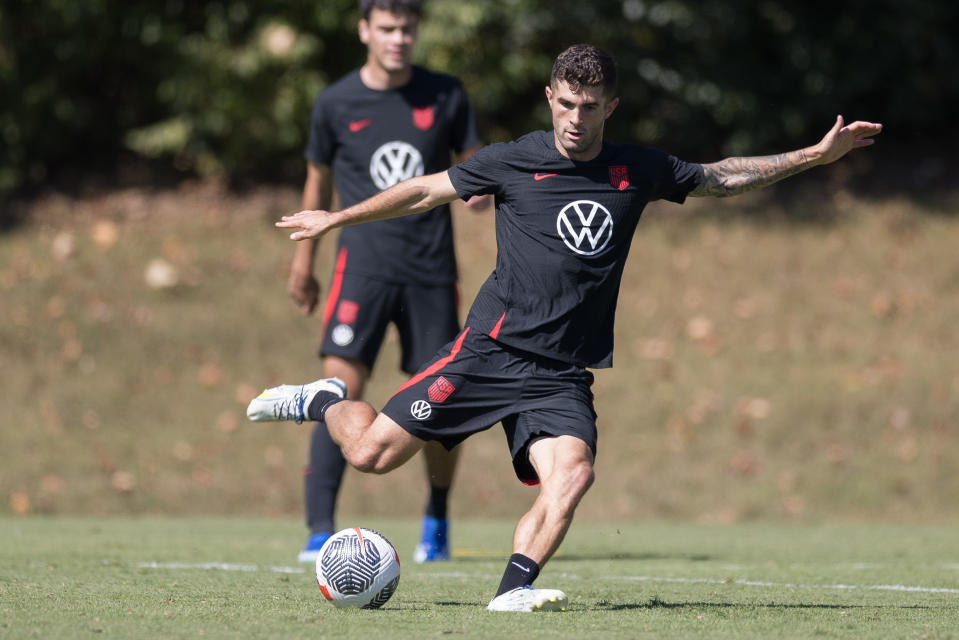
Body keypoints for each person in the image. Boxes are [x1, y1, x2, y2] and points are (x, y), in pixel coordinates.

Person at [249, 44, 881, 610]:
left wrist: (816, 156)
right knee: (368, 455)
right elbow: (421, 190)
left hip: (559, 375)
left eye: (593, 107)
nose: (578, 119)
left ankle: (513, 591)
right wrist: (335, 220)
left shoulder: (637, 169)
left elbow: (722, 177)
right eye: (568, 104)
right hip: (488, 353)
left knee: (573, 473)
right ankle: (326, 399)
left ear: (612, 106)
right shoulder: (511, 160)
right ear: (550, 98)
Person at [286, 0, 485, 564]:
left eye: (408, 29)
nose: (399, 38)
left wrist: (486, 195)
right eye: (388, 28)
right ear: (364, 30)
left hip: (431, 272)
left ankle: (437, 519)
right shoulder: (334, 101)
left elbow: (474, 172)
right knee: (336, 392)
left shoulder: (445, 94)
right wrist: (304, 262)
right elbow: (317, 184)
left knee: (442, 402)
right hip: (361, 270)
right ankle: (320, 529)